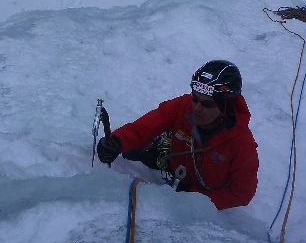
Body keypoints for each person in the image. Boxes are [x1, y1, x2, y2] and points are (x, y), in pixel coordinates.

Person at [96, 60, 259, 210]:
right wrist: (116, 141)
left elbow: (242, 193)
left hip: (203, 191)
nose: (196, 108)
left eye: (207, 104)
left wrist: (195, 197)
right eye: (195, 98)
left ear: (226, 106)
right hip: (173, 162)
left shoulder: (242, 143)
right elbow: (144, 127)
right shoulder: (182, 106)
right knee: (131, 153)